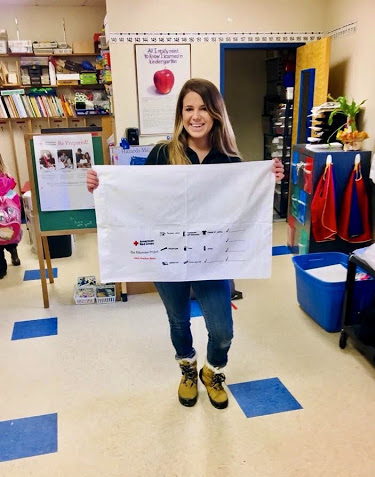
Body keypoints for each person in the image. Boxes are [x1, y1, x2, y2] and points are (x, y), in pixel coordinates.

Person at [87, 78, 284, 409]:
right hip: (168, 259)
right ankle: (188, 369)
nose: (196, 116)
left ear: (216, 114)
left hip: (212, 260)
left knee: (222, 331)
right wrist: (101, 185)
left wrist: (269, 176)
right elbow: (137, 196)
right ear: (180, 114)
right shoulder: (163, 153)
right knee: (178, 320)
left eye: (203, 108)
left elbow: (243, 208)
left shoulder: (229, 161)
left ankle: (213, 371)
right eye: (189, 108)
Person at [0, 154, 21, 279]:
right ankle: (14, 253)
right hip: (8, 219)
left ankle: (2, 270)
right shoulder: (7, 180)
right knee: (9, 238)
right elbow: (15, 200)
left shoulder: (5, 181)